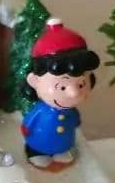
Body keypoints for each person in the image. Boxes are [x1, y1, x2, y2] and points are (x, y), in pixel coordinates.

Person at [21, 19, 99, 168]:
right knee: (37, 149)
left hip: (65, 143)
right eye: (62, 87)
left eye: (81, 84)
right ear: (34, 81)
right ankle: (36, 153)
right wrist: (26, 129)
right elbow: (29, 122)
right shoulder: (41, 110)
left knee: (64, 149)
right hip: (38, 142)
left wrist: (75, 121)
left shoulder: (71, 110)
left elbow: (75, 121)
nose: (74, 93)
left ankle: (61, 151)